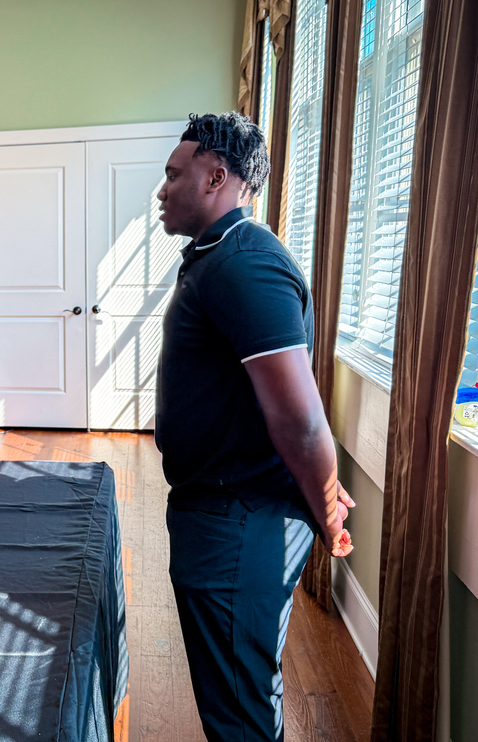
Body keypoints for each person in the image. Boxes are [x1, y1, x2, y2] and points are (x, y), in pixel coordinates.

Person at [154, 112, 354, 742]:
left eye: (174, 174)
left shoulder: (246, 265)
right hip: (217, 510)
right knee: (231, 694)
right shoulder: (218, 255)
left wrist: (326, 507)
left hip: (237, 521)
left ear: (217, 177)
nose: (161, 189)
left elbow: (300, 419)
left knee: (239, 713)